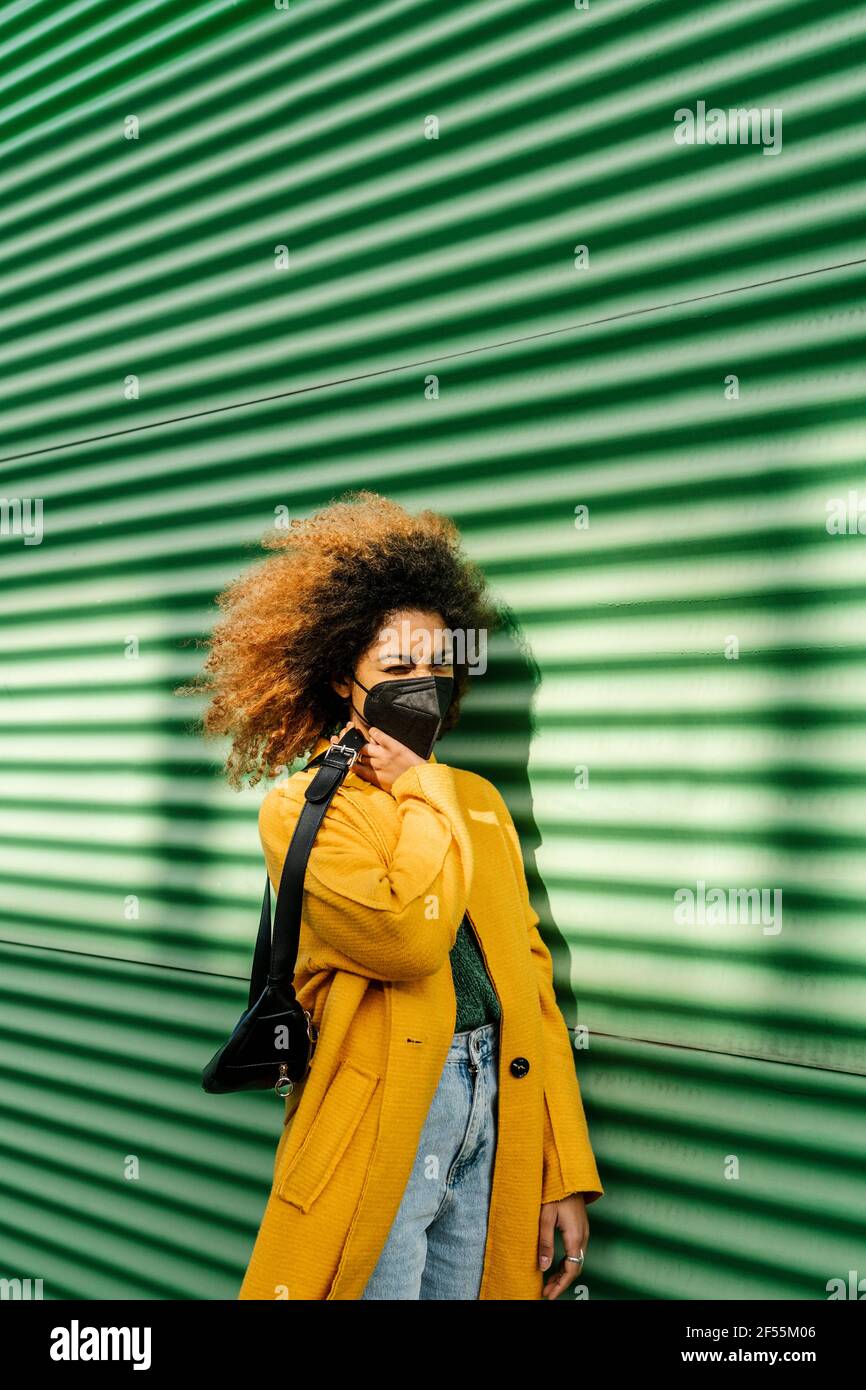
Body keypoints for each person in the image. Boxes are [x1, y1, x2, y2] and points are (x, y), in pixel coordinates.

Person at [184, 490, 604, 1300]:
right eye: (397, 667)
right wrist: (421, 791)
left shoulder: (476, 800)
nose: (424, 686)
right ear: (346, 674)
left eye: (439, 667)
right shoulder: (306, 809)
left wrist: (563, 1169)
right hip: (387, 1115)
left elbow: (530, 984)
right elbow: (407, 939)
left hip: (498, 1103)